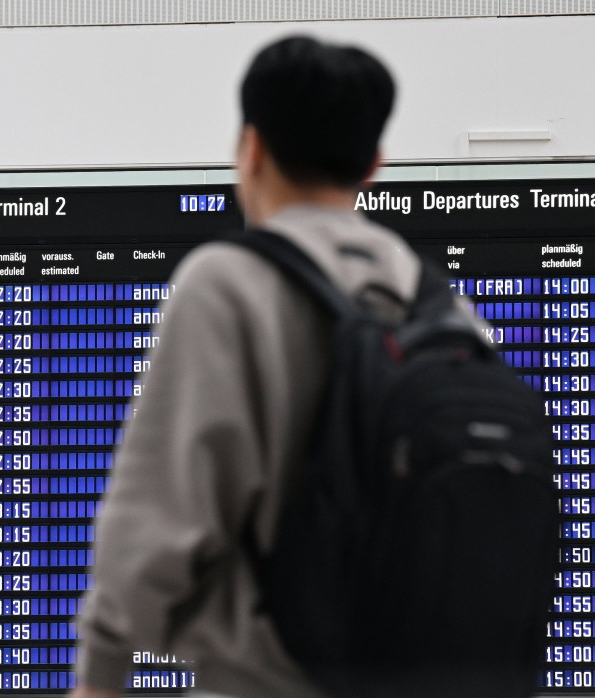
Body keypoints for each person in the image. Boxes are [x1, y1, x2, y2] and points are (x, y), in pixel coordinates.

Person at [71, 35, 415, 698]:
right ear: (373, 164)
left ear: (250, 148)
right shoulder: (428, 297)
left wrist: (102, 673)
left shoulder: (227, 284)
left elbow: (161, 514)